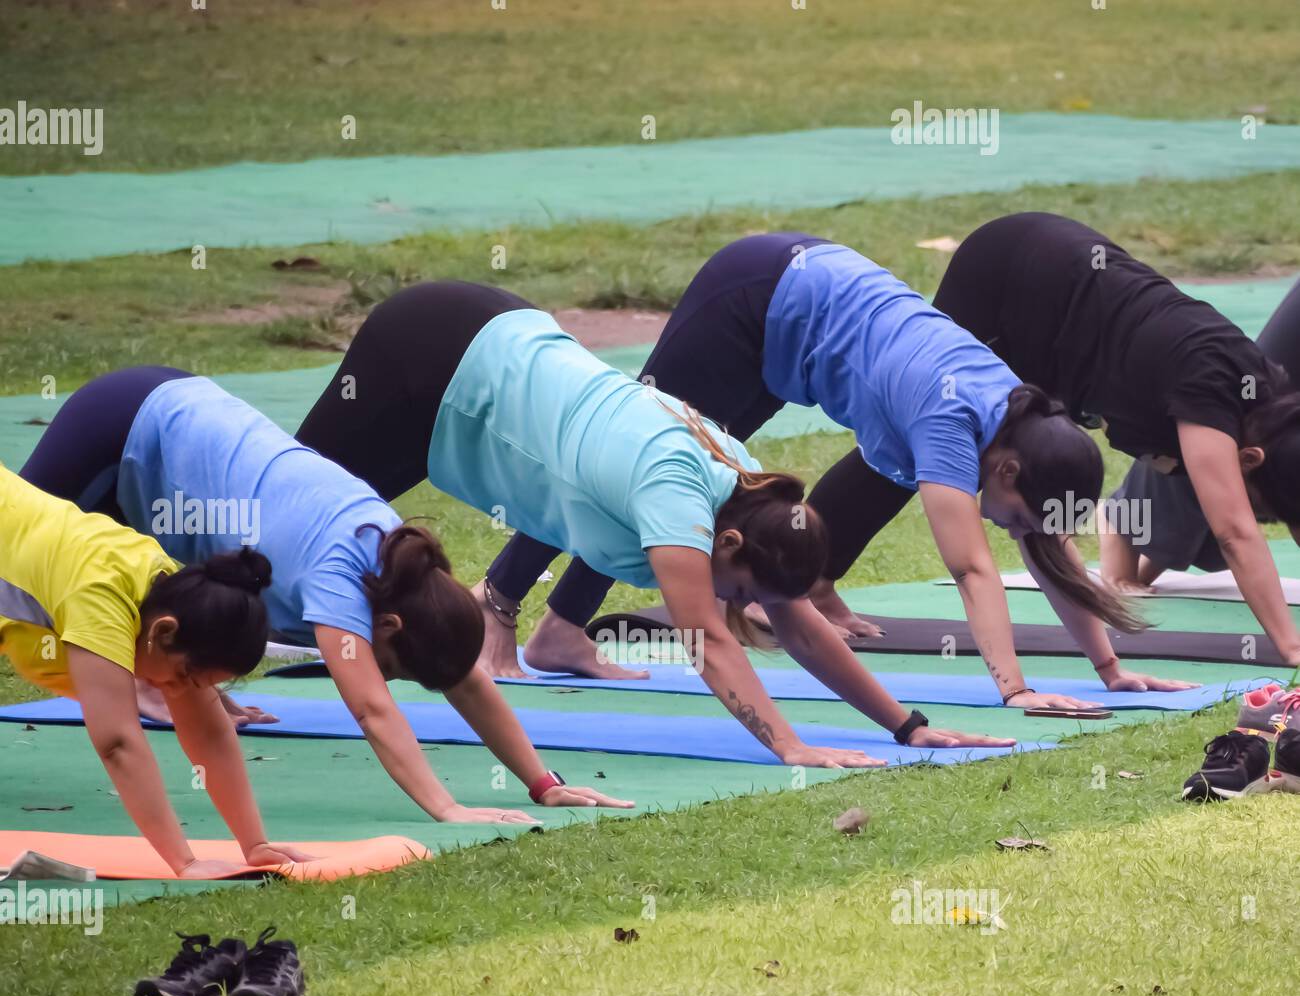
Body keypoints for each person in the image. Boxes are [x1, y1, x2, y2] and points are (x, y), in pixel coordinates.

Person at [298, 281, 1014, 762]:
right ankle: (193, 670)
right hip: (433, 350)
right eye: (739, 589)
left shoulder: (747, 488)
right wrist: (790, 747)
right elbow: (706, 638)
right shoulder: (677, 491)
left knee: (321, 520)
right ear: (726, 543)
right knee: (293, 512)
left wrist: (907, 726)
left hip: (484, 356)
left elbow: (796, 620)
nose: (738, 606)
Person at [460, 238, 1190, 705]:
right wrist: (1016, 690)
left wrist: (1110, 669)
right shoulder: (952, 418)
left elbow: (1049, 545)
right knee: (628, 472)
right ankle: (494, 605)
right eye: (1017, 512)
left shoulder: (1018, 428)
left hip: (791, 315)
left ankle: (560, 631)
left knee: (672, 495)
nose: (1012, 529)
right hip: (750, 299)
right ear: (1005, 466)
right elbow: (972, 569)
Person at [20, 367, 630, 826]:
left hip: (181, 419)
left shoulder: (400, 570)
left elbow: (465, 676)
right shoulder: (341, 576)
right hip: (126, 423)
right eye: (394, 669)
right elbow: (370, 710)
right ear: (387, 627)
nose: (384, 679)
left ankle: (158, 680)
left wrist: (542, 782)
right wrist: (447, 807)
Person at [929, 212, 1300, 666]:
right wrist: (1291, 646)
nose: (1262, 519)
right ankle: (820, 580)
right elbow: (1235, 532)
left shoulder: (1265, 405)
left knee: (1039, 511)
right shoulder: (1213, 387)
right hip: (1015, 273)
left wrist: (1110, 665)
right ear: (1248, 459)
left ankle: (821, 579)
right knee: (919, 441)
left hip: (1066, 318)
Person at [1, 463, 308, 878]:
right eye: (184, 676)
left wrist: (255, 845)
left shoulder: (173, 592)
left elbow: (210, 733)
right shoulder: (101, 595)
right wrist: (185, 863)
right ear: (164, 633)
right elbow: (117, 742)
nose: (177, 691)